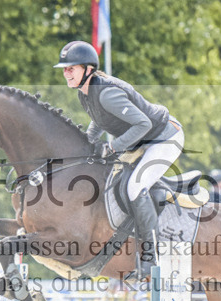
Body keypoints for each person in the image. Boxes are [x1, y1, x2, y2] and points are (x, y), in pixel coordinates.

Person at [54, 40, 184, 278]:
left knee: (135, 187)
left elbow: (143, 123)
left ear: (88, 69)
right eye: (64, 68)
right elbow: (100, 121)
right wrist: (85, 144)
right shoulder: (85, 93)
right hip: (142, 140)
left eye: (71, 68)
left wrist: (113, 146)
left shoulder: (106, 93)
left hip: (165, 138)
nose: (66, 73)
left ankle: (151, 257)